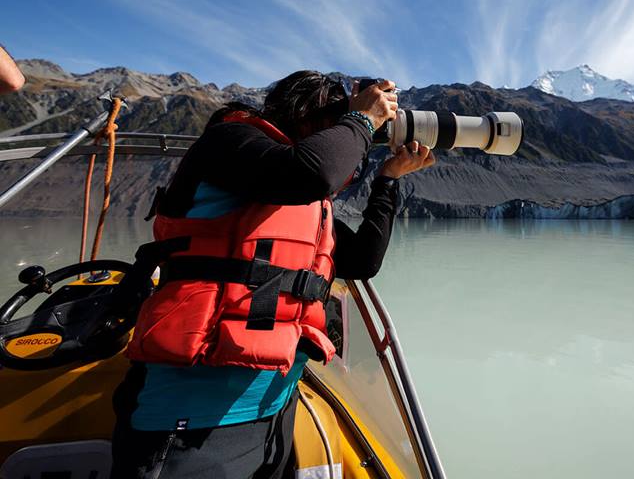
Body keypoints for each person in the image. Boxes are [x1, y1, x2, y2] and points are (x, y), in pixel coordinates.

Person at [110, 71, 434, 478]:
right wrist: (363, 119)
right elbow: (310, 172)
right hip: (185, 420)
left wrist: (388, 180)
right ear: (305, 111)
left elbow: (363, 260)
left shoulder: (301, 199)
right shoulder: (231, 144)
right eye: (337, 118)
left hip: (274, 409)